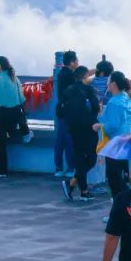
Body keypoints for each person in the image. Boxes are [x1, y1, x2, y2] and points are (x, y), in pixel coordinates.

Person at [62, 66, 101, 201]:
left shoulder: (68, 91)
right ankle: (75, 185)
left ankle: (81, 189)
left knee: (80, 159)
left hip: (74, 129)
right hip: (89, 128)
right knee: (91, 159)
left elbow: (61, 110)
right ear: (85, 76)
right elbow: (95, 107)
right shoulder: (89, 90)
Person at [95, 72, 131, 201]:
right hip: (127, 142)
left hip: (115, 144)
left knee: (114, 176)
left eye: (108, 81)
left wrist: (99, 126)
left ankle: (121, 203)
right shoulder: (126, 98)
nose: (107, 84)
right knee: (122, 174)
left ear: (113, 84)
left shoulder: (114, 102)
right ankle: (127, 202)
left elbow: (113, 125)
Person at [0, 56, 26, 177]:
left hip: (0, 113)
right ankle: (25, 132)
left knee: (0, 142)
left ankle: (2, 171)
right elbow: (22, 98)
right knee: (5, 136)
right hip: (15, 114)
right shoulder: (15, 78)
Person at [54, 50, 79, 179]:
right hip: (68, 111)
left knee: (61, 139)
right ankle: (71, 167)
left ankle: (58, 167)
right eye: (76, 60)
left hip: (61, 109)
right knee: (69, 139)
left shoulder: (62, 73)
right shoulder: (70, 75)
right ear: (72, 62)